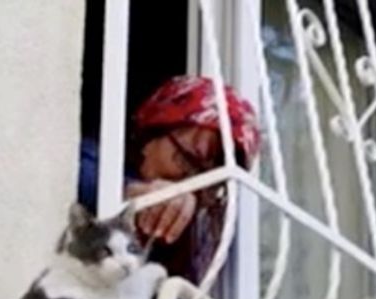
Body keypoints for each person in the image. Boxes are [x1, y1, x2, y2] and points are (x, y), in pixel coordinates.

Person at [78, 76, 261, 285]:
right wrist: (128, 194)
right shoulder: (95, 158)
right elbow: (70, 169)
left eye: (211, 182)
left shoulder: (195, 245)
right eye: (189, 160)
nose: (193, 186)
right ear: (153, 131)